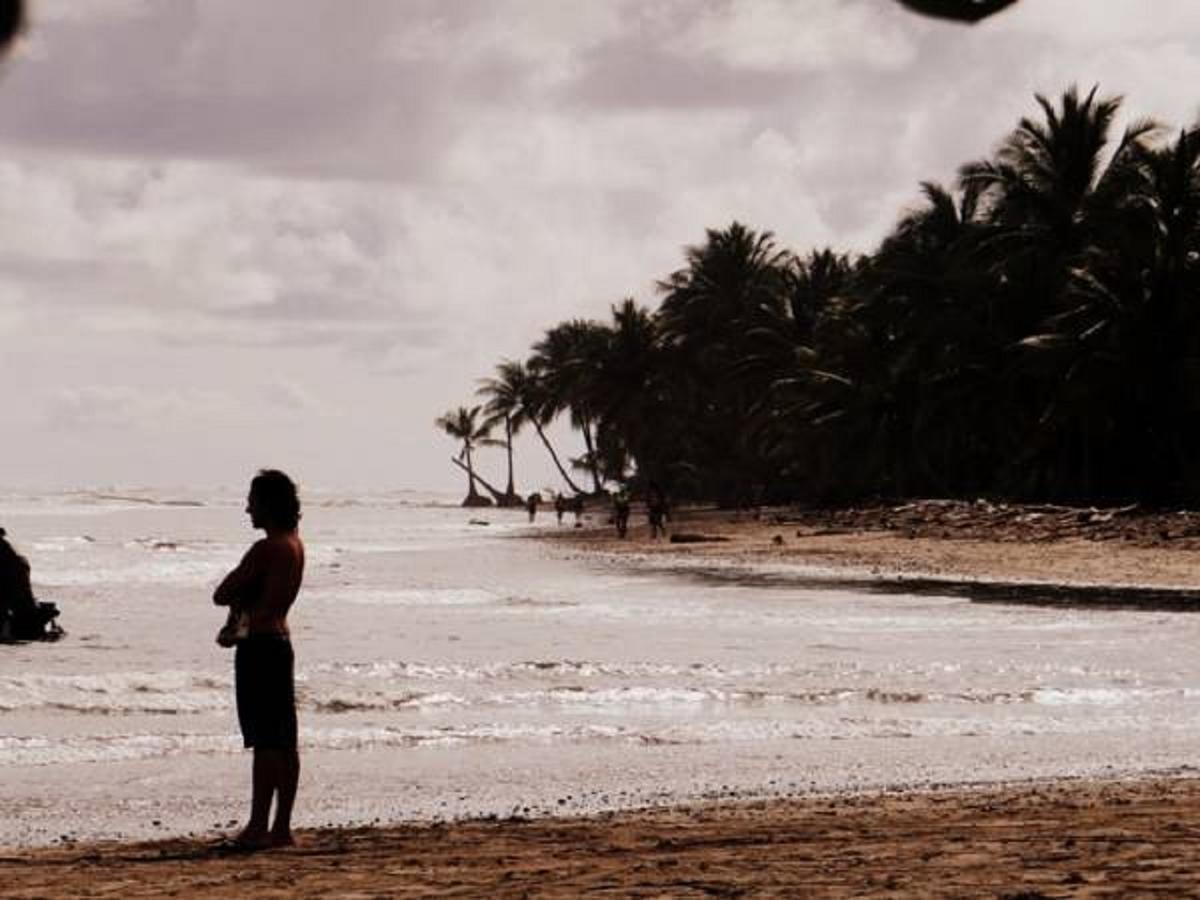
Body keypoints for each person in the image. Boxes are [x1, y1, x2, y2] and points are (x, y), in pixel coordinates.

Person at [213, 470, 305, 851]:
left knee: (265, 741)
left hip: (260, 645)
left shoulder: (266, 549)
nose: (247, 508)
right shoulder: (294, 544)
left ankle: (257, 826)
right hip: (280, 640)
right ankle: (281, 827)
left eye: (252, 500)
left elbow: (222, 593)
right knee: (285, 740)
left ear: (268, 504)